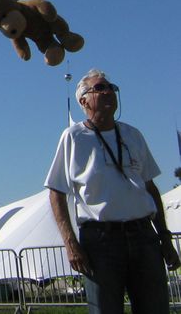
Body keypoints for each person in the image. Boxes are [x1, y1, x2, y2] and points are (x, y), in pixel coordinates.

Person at [45, 68, 179, 312]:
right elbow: (56, 192)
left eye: (111, 87)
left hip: (143, 236)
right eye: (100, 88)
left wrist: (165, 236)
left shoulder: (132, 134)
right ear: (83, 100)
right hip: (101, 241)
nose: (108, 92)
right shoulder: (73, 137)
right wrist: (70, 243)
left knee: (156, 307)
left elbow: (150, 187)